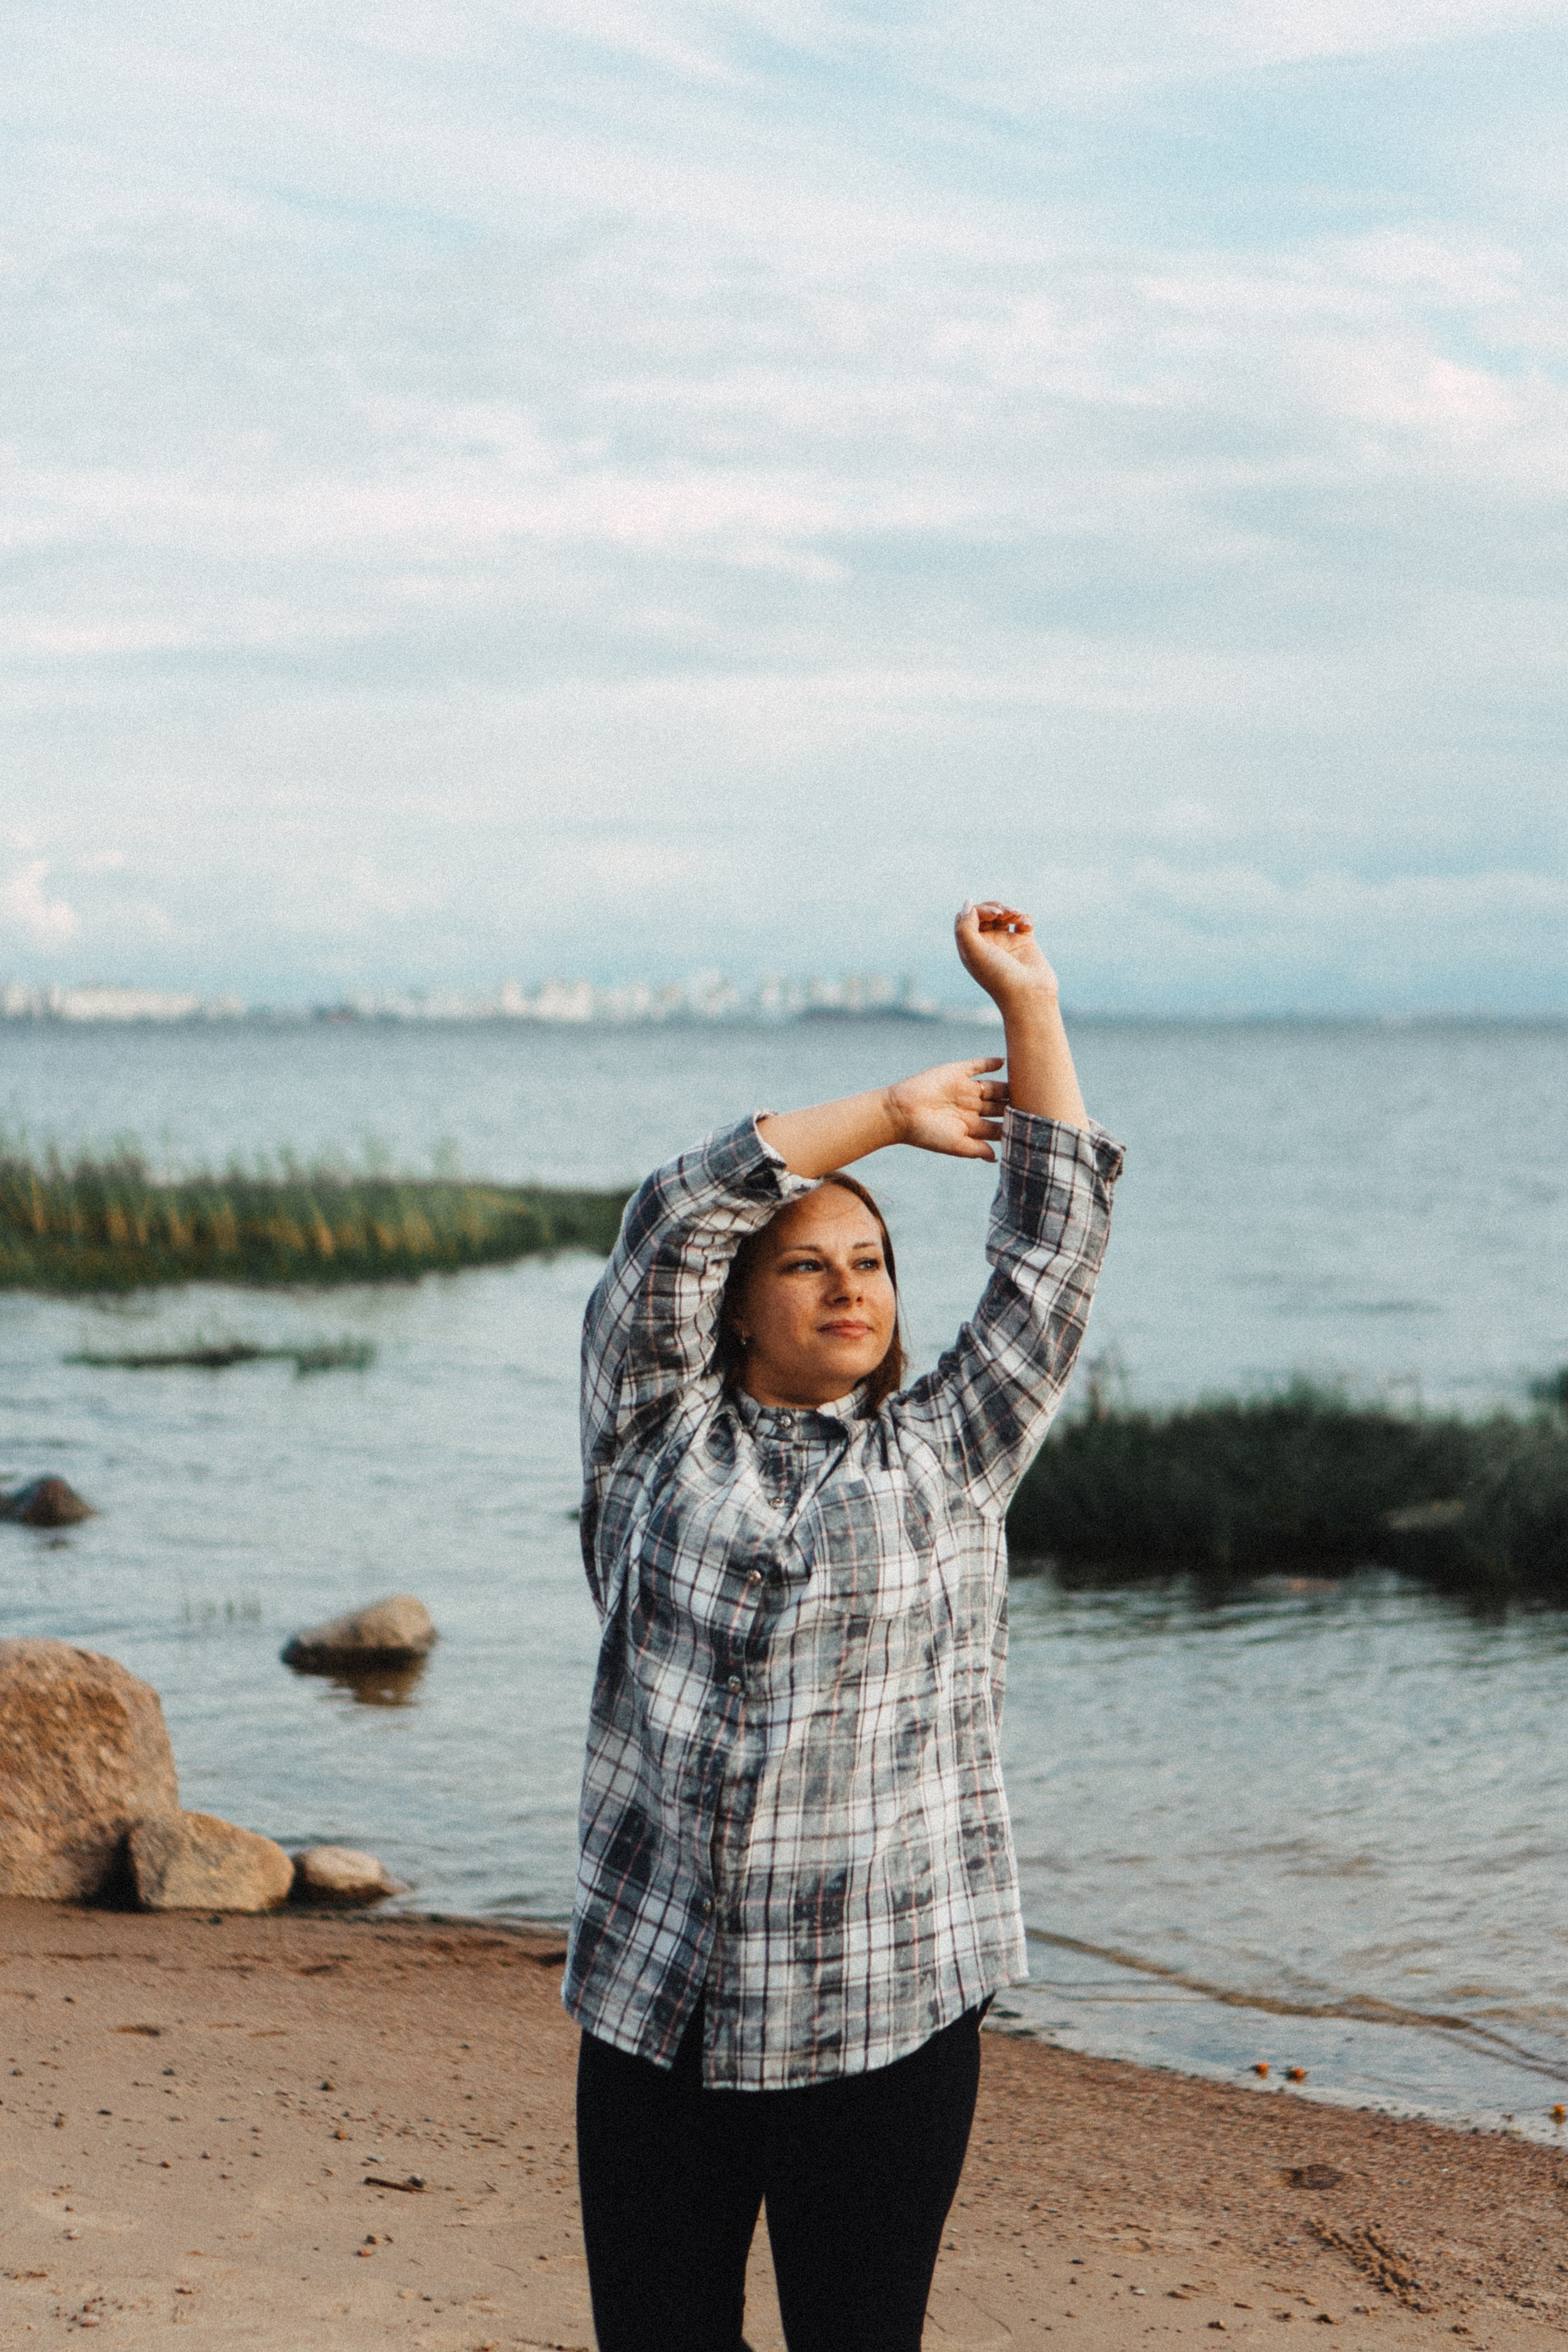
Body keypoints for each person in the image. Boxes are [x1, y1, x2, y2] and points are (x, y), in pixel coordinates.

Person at [565, 900, 1125, 2352]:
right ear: (738, 1305)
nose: (849, 1287)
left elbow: (1050, 1260)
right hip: (657, 2013)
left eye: (870, 1264)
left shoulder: (945, 1453)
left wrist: (1029, 1006)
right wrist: (881, 1116)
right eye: (806, 1263)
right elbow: (671, 1219)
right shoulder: (650, 1441)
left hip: (882, 2019)